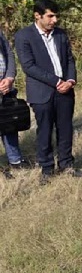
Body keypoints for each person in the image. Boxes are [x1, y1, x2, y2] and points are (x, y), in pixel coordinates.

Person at [15, 0, 82, 185]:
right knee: (45, 130)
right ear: (37, 15)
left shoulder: (61, 34)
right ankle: (47, 168)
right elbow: (28, 66)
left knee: (65, 128)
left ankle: (66, 164)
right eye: (50, 16)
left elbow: (70, 60)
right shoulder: (24, 36)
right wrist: (57, 81)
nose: (54, 20)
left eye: (56, 16)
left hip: (65, 90)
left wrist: (71, 81)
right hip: (42, 92)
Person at [0, 29, 26, 179]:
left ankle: (15, 160)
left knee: (9, 123)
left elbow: (8, 53)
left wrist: (9, 77)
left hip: (5, 88)